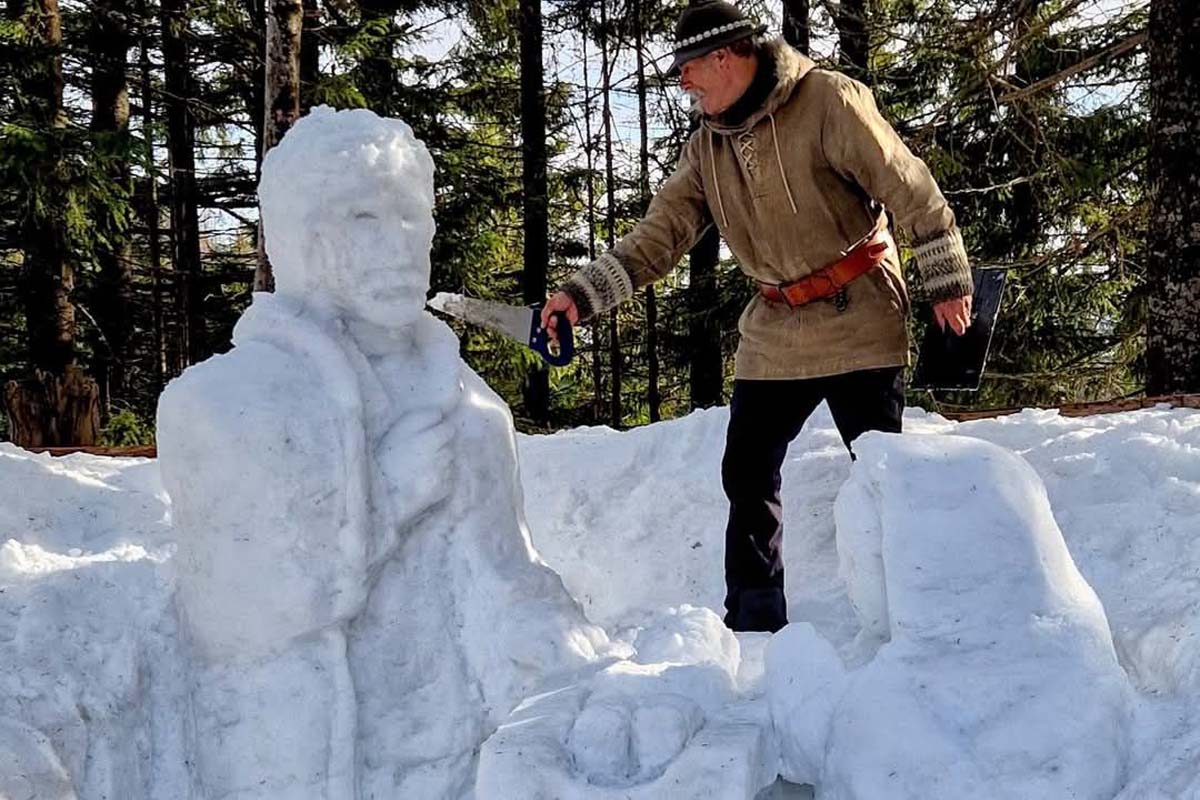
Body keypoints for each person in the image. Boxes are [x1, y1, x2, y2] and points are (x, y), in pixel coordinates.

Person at [540, 0, 974, 633]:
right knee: (746, 471)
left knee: (883, 474)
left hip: (859, 312)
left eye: (689, 68)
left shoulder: (829, 100)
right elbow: (659, 236)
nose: (681, 81)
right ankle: (754, 621)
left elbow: (908, 185)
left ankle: (916, 616)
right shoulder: (704, 148)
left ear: (726, 57)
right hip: (774, 325)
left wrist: (944, 276)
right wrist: (579, 298)